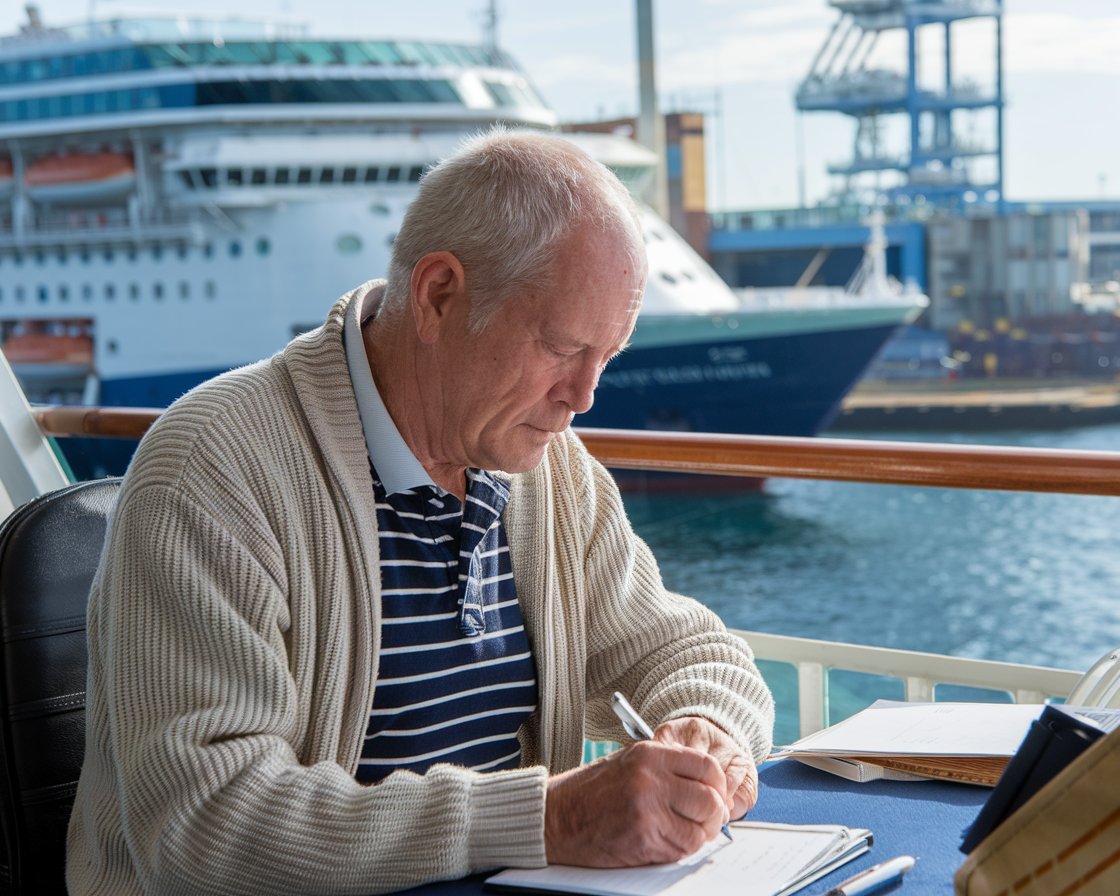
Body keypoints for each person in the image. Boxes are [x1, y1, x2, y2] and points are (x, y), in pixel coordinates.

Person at [66, 128, 774, 895]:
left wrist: (709, 732)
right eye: (564, 348)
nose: (585, 396)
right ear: (438, 295)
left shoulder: (546, 471)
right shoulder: (214, 467)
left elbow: (691, 651)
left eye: (608, 357)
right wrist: (548, 820)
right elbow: (204, 822)